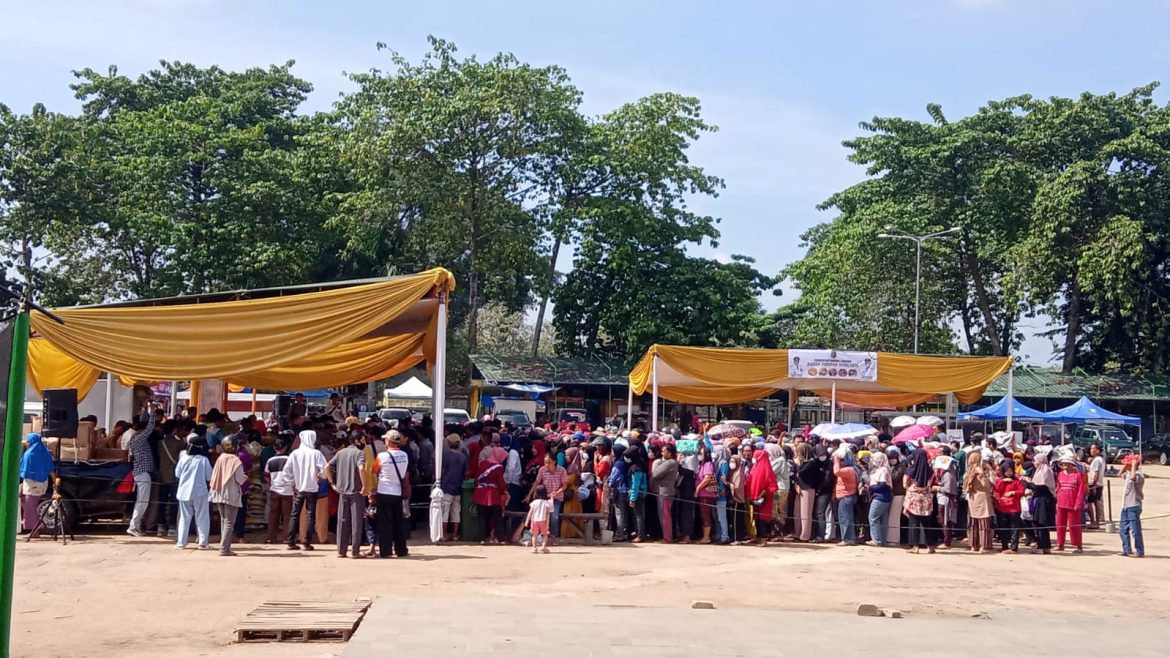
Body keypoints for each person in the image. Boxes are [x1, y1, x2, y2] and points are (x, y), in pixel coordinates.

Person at [326, 431, 368, 558]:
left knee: (342, 521)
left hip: (342, 492)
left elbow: (327, 466)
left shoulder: (341, 453)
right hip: (356, 493)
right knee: (357, 522)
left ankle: (341, 550)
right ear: (356, 441)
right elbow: (361, 468)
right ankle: (355, 551)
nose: (364, 442)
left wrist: (332, 483)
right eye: (363, 439)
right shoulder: (360, 453)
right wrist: (365, 486)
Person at [284, 429, 327, 550]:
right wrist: (320, 477)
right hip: (312, 488)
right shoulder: (316, 454)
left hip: (298, 489)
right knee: (310, 515)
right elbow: (324, 469)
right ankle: (307, 542)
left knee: (294, 515)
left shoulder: (294, 453)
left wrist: (292, 483)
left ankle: (291, 541)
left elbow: (286, 471)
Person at [373, 430, 411, 558]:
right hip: (398, 493)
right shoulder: (404, 455)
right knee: (398, 522)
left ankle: (385, 550)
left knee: (385, 523)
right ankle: (401, 549)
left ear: (389, 441)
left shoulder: (381, 456)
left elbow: (374, 471)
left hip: (384, 492)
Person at [208, 436, 248, 556]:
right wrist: (246, 477)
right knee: (229, 522)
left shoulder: (221, 458)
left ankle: (224, 546)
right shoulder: (235, 460)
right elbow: (240, 479)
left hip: (218, 492)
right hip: (230, 494)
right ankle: (224, 549)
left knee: (223, 521)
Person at [125, 404, 158, 537]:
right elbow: (149, 428)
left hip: (141, 473)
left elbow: (145, 424)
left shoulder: (135, 438)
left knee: (142, 501)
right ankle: (133, 525)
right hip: (143, 473)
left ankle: (136, 525)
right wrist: (153, 412)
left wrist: (145, 408)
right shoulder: (139, 439)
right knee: (142, 501)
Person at [175, 438, 212, 549]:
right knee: (202, 517)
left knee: (184, 518)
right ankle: (203, 542)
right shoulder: (203, 460)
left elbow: (177, 474)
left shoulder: (183, 458)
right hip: (200, 492)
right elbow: (209, 476)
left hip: (183, 492)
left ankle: (181, 543)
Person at [154, 421, 186, 537]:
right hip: (174, 477)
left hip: (162, 477)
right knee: (173, 503)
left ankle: (160, 526)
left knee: (161, 502)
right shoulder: (180, 444)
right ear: (175, 430)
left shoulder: (160, 443)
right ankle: (172, 526)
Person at [19, 433, 55, 534]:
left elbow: (23, 470)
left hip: (31, 484)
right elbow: (51, 470)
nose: (26, 442)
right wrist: (55, 482)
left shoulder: (29, 454)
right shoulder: (45, 453)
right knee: (29, 505)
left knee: (29, 506)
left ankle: (35, 528)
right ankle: (36, 525)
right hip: (42, 484)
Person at [903, 446, 935, 554]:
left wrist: (913, 489)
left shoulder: (910, 470)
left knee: (914, 523)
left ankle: (915, 547)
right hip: (926, 499)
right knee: (927, 524)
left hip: (913, 500)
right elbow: (930, 484)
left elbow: (905, 484)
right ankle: (930, 546)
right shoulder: (930, 470)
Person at [529, 452, 568, 541]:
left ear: (554, 461)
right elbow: (536, 482)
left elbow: (564, 485)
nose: (546, 465)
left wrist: (557, 492)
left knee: (554, 516)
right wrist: (529, 495)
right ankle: (542, 535)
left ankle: (554, 536)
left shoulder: (562, 470)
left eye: (549, 462)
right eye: (545, 462)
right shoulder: (542, 470)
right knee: (541, 516)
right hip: (544, 498)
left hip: (557, 498)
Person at [473, 447, 508, 544]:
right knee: (497, 517)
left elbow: (477, 478)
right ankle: (501, 539)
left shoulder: (482, 463)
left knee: (482, 517)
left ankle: (482, 539)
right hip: (493, 495)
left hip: (480, 493)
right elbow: (501, 483)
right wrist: (505, 492)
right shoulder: (498, 467)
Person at [264, 434, 294, 544]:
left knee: (273, 515)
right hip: (288, 491)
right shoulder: (289, 459)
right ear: (286, 447)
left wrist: (273, 483)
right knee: (287, 516)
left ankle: (270, 538)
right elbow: (293, 474)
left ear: (274, 448)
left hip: (274, 490)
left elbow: (266, 475)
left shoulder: (270, 460)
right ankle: (286, 538)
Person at [1025, 451, 1057, 554]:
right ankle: (1046, 546)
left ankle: (1042, 547)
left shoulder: (1046, 470)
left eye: (1035, 461)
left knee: (1042, 524)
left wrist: (1027, 483)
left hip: (1045, 501)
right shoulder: (1039, 471)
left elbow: (1041, 487)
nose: (1034, 463)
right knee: (1039, 524)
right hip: (1039, 500)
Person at [747, 444, 779, 544]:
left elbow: (772, 486)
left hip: (764, 498)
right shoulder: (755, 467)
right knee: (756, 517)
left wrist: (762, 493)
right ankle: (758, 536)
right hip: (755, 497)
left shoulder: (767, 469)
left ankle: (764, 538)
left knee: (763, 518)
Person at [439, 434, 468, 543]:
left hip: (446, 487)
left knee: (444, 512)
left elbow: (441, 472)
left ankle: (444, 535)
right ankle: (455, 535)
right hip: (458, 488)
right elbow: (466, 473)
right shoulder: (463, 457)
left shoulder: (445, 456)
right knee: (456, 512)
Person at [963, 451, 993, 553]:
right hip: (982, 499)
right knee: (983, 524)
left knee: (973, 523)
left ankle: (973, 545)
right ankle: (983, 546)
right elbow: (986, 486)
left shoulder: (968, 472)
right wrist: (984, 475)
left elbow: (965, 486)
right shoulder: (979, 471)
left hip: (972, 498)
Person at [1055, 455, 1087, 553]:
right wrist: (1057, 500)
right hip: (1061, 503)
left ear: (1071, 464)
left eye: (1066, 463)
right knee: (1060, 525)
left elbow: (1081, 491)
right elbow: (1058, 488)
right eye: (1063, 463)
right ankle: (1060, 544)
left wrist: (1078, 503)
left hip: (1073, 504)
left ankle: (1078, 545)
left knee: (1074, 525)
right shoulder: (1060, 474)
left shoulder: (1078, 475)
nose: (1063, 464)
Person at [993, 461, 1025, 554]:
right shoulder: (1000, 480)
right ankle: (1004, 546)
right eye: (1007, 471)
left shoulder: (1016, 481)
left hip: (1014, 508)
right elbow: (996, 490)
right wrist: (1003, 481)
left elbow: (1022, 491)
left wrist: (1013, 492)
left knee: (1014, 528)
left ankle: (1014, 548)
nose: (1009, 473)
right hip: (1002, 508)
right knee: (1003, 528)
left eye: (1011, 471)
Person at [651, 444, 679, 543]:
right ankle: (665, 536)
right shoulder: (667, 462)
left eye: (664, 451)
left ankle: (667, 538)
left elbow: (655, 473)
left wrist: (657, 463)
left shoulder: (671, 462)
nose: (662, 453)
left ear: (670, 453)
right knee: (662, 515)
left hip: (665, 492)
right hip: (662, 492)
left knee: (665, 516)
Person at [1118, 456, 1144, 558]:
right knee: (1123, 529)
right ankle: (1126, 550)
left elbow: (1134, 478)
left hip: (1134, 505)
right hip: (1125, 505)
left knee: (1135, 530)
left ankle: (1139, 551)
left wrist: (1133, 464)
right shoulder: (1129, 473)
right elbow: (1119, 474)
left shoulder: (1139, 475)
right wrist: (1126, 465)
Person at [832, 447, 859, 546]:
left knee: (846, 518)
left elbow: (836, 471)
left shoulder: (849, 470)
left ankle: (848, 539)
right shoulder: (851, 468)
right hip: (844, 496)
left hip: (847, 496)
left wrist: (836, 459)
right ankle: (846, 538)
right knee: (843, 518)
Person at [794, 443, 819, 542]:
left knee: (805, 513)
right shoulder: (803, 462)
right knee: (797, 512)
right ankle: (797, 533)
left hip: (808, 489)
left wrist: (798, 465)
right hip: (800, 488)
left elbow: (801, 472)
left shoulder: (811, 462)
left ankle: (805, 536)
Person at [933, 450, 959, 549]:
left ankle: (947, 542)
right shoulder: (944, 473)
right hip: (941, 498)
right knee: (942, 519)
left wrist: (937, 488)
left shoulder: (948, 474)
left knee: (945, 520)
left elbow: (948, 489)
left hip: (946, 499)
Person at [867, 451, 892, 547]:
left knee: (873, 517)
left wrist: (870, 487)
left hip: (880, 497)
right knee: (882, 519)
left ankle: (876, 540)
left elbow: (882, 485)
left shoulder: (883, 470)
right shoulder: (880, 469)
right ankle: (882, 540)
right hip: (884, 497)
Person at [765, 443, 790, 539]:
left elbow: (770, 471)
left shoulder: (780, 460)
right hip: (778, 489)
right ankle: (774, 532)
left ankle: (779, 533)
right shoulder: (776, 460)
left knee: (778, 511)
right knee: (775, 511)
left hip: (781, 489)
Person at [695, 444, 718, 544]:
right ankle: (705, 536)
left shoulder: (708, 464)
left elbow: (707, 478)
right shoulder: (702, 464)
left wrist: (697, 488)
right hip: (703, 494)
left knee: (706, 515)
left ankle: (706, 537)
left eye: (702, 453)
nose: (700, 454)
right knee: (703, 514)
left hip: (706, 494)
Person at [812, 445, 835, 543]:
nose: (823, 456)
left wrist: (819, 488)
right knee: (817, 513)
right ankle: (816, 534)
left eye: (824, 454)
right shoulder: (815, 463)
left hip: (825, 492)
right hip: (818, 490)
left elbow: (828, 479)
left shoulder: (829, 464)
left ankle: (821, 535)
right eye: (820, 454)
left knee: (821, 513)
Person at [627, 443, 649, 542]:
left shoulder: (637, 468)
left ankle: (641, 535)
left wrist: (632, 498)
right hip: (640, 493)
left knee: (639, 515)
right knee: (636, 515)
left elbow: (635, 484)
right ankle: (638, 532)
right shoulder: (641, 463)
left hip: (638, 494)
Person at [526, 484, 553, 554]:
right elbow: (548, 514)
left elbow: (530, 512)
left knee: (534, 535)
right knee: (545, 534)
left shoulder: (534, 502)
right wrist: (547, 523)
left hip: (534, 520)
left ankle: (534, 548)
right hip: (543, 520)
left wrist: (527, 521)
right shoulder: (546, 503)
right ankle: (543, 547)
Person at [712, 445, 731, 544]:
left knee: (721, 516)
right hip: (714, 491)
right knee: (716, 516)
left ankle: (725, 536)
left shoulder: (723, 463)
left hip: (720, 492)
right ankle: (718, 534)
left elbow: (723, 477)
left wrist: (722, 488)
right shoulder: (716, 462)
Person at [1086, 444, 1106, 530]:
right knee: (1096, 502)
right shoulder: (1100, 459)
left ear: (1098, 450)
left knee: (1091, 503)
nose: (1091, 450)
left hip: (1094, 484)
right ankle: (1095, 521)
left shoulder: (1097, 460)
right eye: (1091, 449)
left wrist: (1093, 485)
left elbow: (1096, 473)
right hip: (1098, 484)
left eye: (1094, 449)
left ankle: (1094, 521)